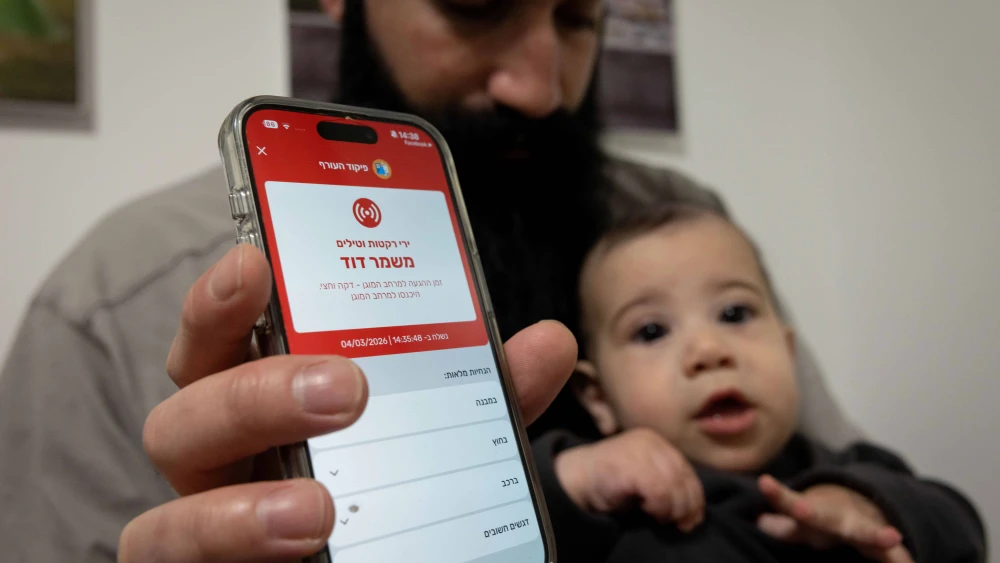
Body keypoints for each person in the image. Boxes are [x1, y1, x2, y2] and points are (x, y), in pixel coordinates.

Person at [0, 1, 861, 561]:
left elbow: (845, 478)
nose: (542, 86)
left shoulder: (683, 226)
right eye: (477, 6)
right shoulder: (113, 300)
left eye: (578, 18)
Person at [531, 204, 986, 563]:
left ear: (788, 352)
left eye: (735, 314)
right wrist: (577, 476)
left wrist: (871, 507)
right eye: (652, 331)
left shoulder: (854, 468)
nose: (709, 351)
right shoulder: (607, 502)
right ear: (598, 397)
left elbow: (961, 525)